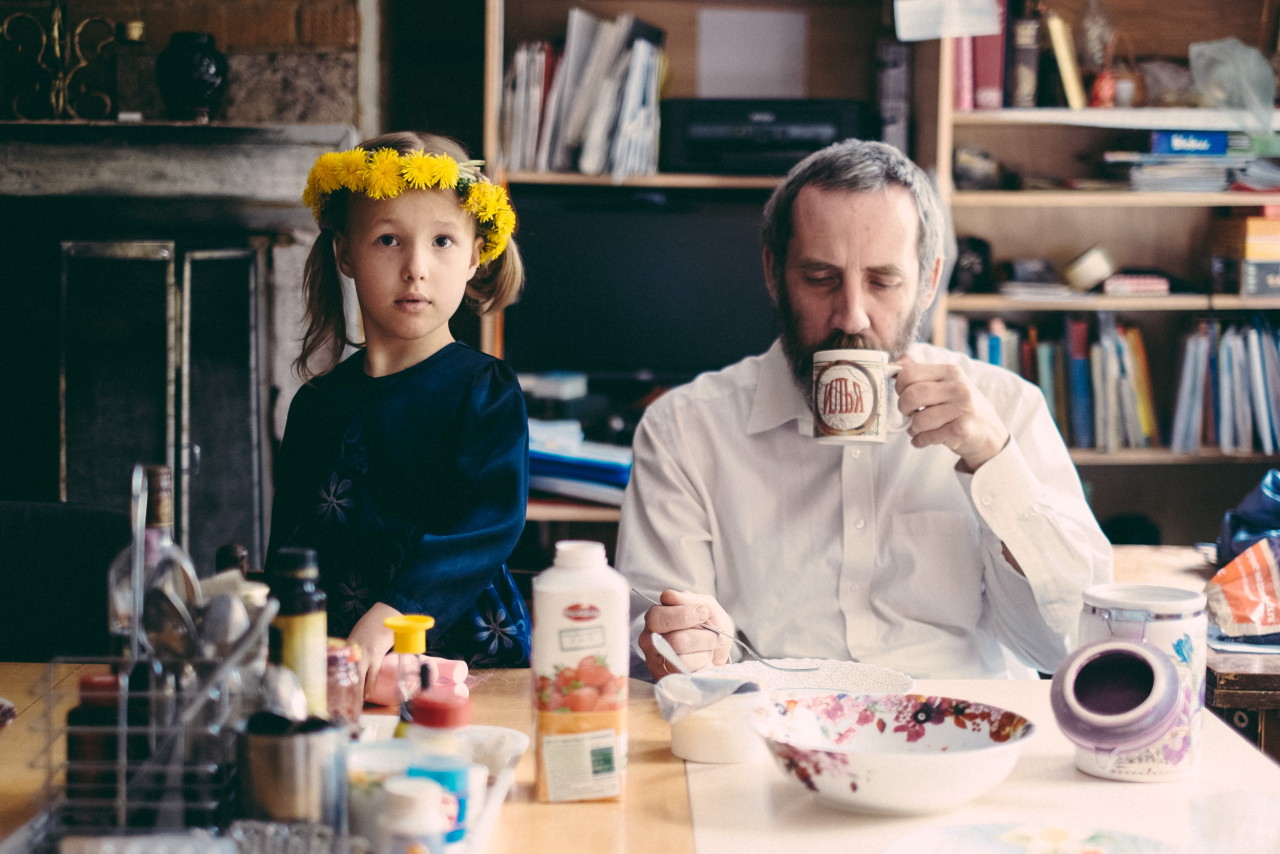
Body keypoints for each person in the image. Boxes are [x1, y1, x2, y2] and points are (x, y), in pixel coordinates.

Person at [618, 139, 1112, 681]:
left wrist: (992, 463)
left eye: (882, 281)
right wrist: (683, 644)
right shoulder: (686, 430)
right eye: (821, 278)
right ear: (772, 273)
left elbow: (1066, 643)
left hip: (959, 728)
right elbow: (654, 653)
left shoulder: (1007, 408)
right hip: (770, 728)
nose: (851, 315)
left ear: (928, 282)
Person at [267, 131, 531, 699]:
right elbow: (290, 547)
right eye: (388, 240)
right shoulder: (316, 407)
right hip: (340, 663)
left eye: (441, 241)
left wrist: (391, 616)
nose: (416, 268)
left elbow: (490, 524)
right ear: (344, 253)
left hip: (470, 657)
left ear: (475, 256)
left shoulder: (485, 391)